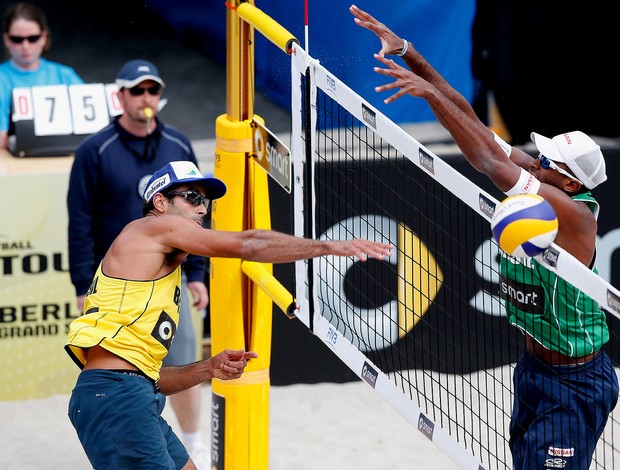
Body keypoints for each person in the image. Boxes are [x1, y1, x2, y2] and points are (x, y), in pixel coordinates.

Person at [350, 5, 618, 470]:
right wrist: (412, 56)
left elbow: (487, 163)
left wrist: (427, 96)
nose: (538, 160)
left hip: (577, 382)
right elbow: (478, 127)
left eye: (550, 162)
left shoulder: (572, 215)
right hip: (536, 369)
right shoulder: (547, 179)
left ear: (572, 183)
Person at [65, 160, 393, 469]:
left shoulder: (152, 275)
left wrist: (208, 367)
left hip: (129, 397)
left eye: (206, 201)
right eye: (192, 197)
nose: (202, 208)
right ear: (161, 202)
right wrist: (327, 247)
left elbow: (148, 378)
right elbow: (249, 244)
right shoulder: (153, 228)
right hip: (115, 399)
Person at [66, 59, 211, 465]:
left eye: (152, 90)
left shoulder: (179, 146)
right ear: (121, 96)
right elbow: (80, 220)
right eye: (137, 90)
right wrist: (83, 285)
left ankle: (193, 438)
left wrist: (197, 275)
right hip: (120, 286)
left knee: (173, 361)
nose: (146, 98)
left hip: (168, 283)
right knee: (126, 370)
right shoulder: (96, 149)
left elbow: (199, 225)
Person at [0, 2, 83, 149]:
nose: (25, 46)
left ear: (44, 38)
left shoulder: (65, 76)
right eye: (17, 39)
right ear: (6, 39)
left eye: (33, 38)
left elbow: (90, 127)